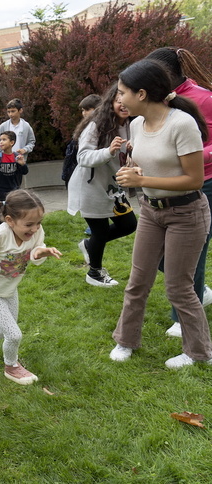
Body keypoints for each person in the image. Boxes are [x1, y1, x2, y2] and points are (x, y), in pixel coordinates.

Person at [112, 59, 212, 368]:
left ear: (141, 94)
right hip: (151, 212)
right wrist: (134, 169)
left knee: (179, 287)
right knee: (137, 281)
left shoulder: (181, 124)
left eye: (122, 93)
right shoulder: (137, 124)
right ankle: (126, 341)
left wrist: (141, 181)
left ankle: (199, 352)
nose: (119, 100)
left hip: (186, 213)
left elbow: (194, 180)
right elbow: (147, 162)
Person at [146, 47, 212, 338]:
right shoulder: (159, 101)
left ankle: (182, 318)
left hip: (204, 184)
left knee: (191, 254)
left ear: (169, 74)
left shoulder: (204, 99)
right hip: (165, 187)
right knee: (163, 256)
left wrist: (189, 156)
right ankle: (201, 292)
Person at [0, 189, 62, 384]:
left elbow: (35, 250)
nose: (35, 229)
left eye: (38, 223)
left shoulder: (35, 232)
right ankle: (11, 367)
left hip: (10, 288)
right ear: (10, 220)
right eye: (29, 224)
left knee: (5, 329)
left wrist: (42, 252)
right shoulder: (0, 234)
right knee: (14, 333)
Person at [67, 82, 137, 287]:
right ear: (110, 102)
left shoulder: (131, 125)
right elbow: (83, 157)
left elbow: (126, 158)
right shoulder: (97, 125)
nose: (123, 105)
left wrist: (134, 152)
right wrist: (109, 151)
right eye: (118, 101)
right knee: (100, 231)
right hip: (91, 187)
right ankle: (94, 273)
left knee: (129, 225)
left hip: (113, 188)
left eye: (126, 101)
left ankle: (89, 246)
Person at [62, 94, 103, 188]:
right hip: (76, 168)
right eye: (83, 110)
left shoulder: (98, 126)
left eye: (87, 110)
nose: (84, 113)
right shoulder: (85, 126)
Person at [0, 131, 28, 207]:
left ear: (12, 142)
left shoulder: (17, 157)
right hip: (1, 189)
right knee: (3, 208)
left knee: (14, 208)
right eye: (0, 140)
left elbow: (25, 171)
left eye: (4, 139)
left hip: (15, 188)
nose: (1, 142)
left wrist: (22, 164)